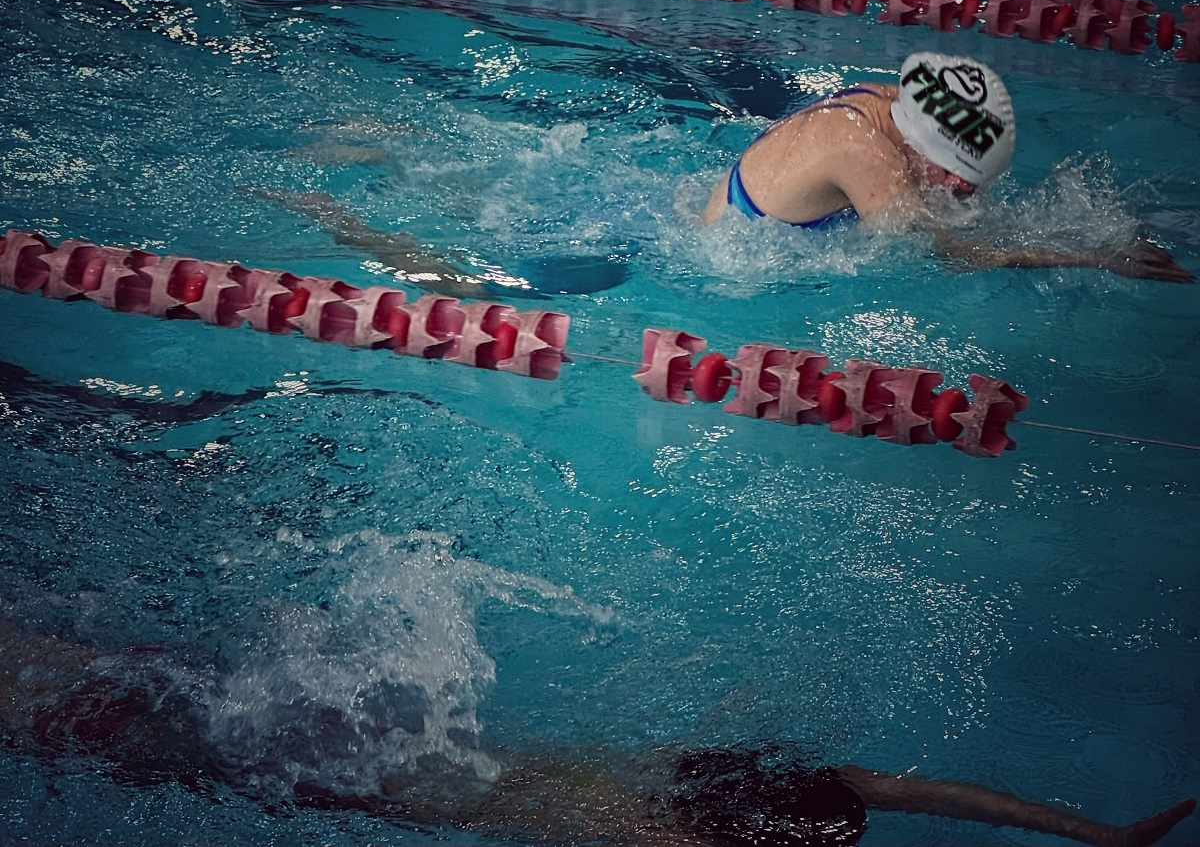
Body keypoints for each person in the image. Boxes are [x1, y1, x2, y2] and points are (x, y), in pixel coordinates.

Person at [0, 615, 1193, 847]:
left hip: (439, 742)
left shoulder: (706, 775)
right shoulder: (644, 832)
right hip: (408, 794)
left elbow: (943, 793)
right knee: (179, 739)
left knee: (204, 694)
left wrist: (1092, 834)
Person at [700, 52, 1194, 283]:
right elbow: (952, 255)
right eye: (953, 172)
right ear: (921, 145)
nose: (962, 187)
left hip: (749, 211)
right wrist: (1097, 256)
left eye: (973, 178)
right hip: (729, 267)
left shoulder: (894, 104)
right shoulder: (869, 158)